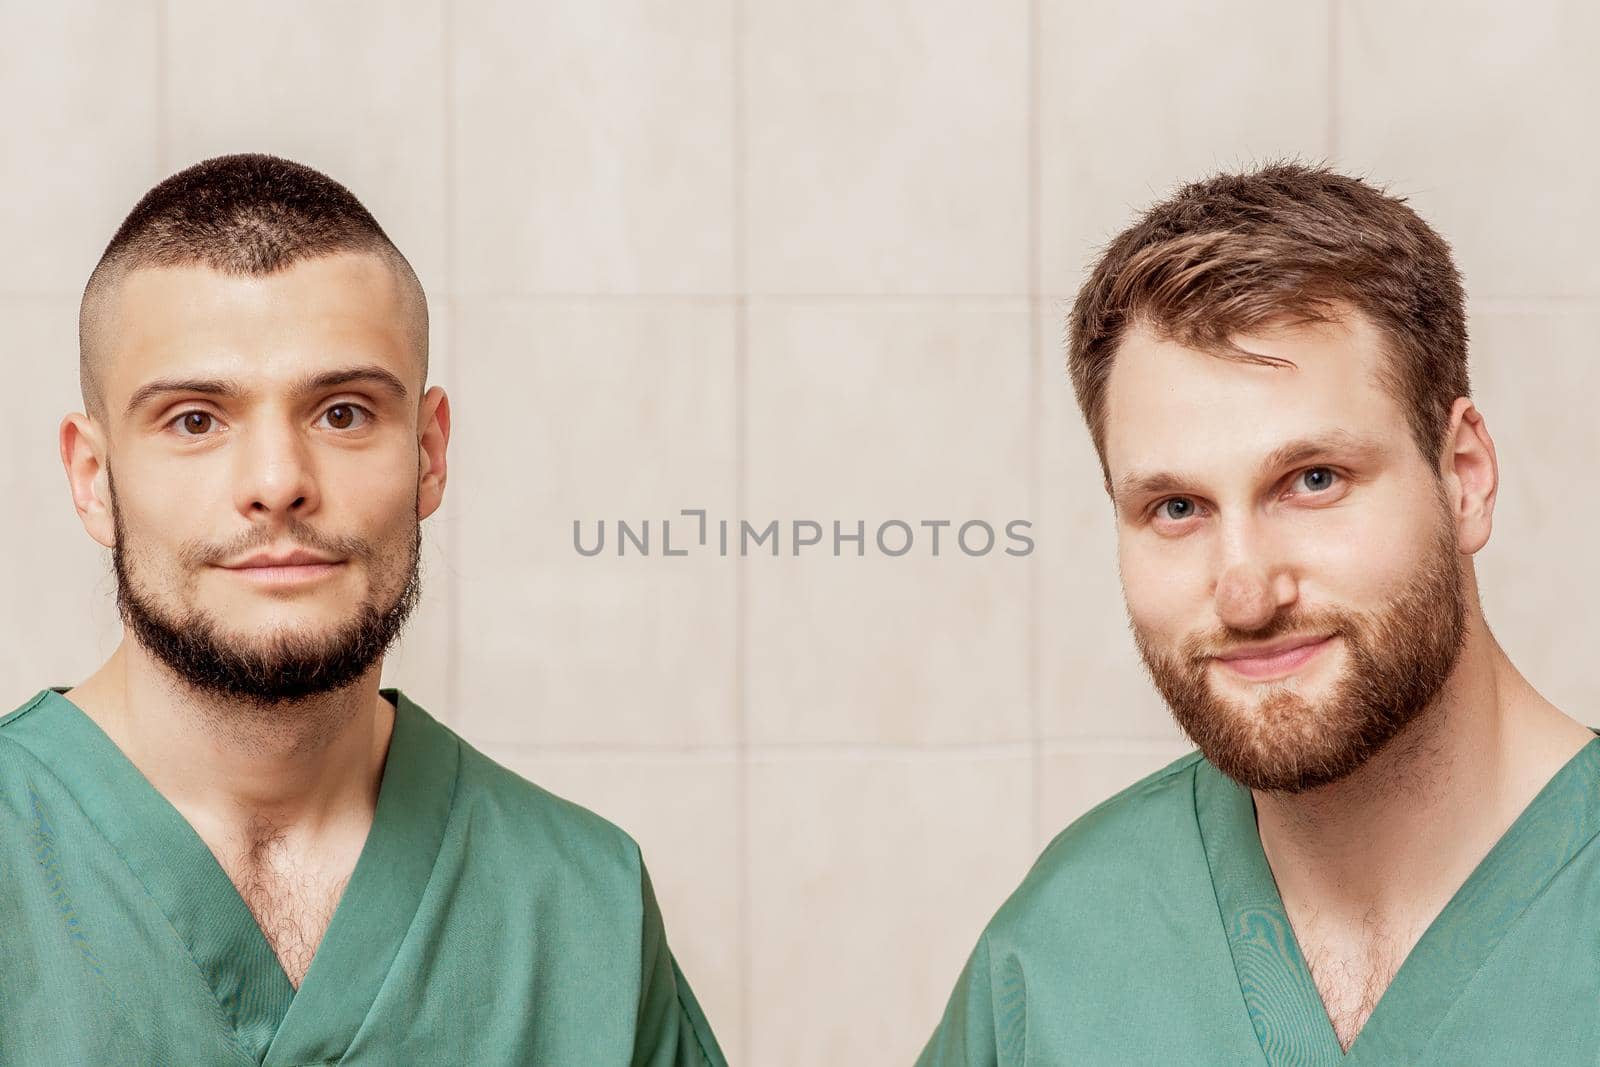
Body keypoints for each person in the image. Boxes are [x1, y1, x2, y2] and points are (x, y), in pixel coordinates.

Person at [1, 153, 726, 1065]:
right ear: (93, 478)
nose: (277, 484)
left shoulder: (584, 911)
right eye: (195, 419)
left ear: (429, 454)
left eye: (342, 413)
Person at [916, 161, 1600, 1064]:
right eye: (1177, 508)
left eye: (1313, 481)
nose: (1245, 594)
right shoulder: (1061, 953)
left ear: (1463, 477)